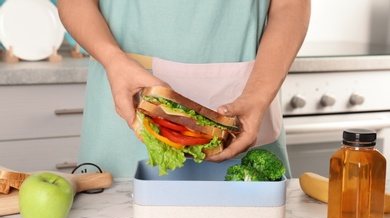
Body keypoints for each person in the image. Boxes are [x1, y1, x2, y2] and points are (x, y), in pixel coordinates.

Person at [57, 0, 310, 178]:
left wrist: (259, 92)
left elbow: (290, 5)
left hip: (245, 110)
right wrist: (112, 59)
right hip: (126, 102)